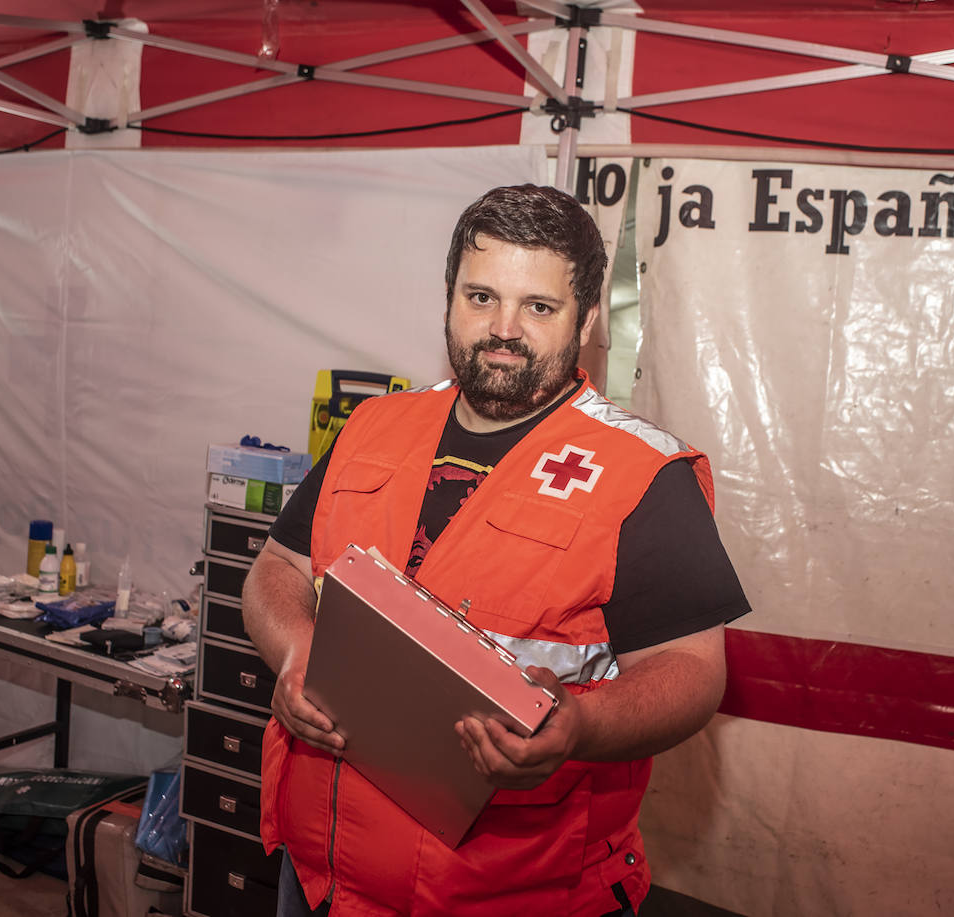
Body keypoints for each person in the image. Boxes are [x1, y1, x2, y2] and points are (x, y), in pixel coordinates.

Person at [242, 184, 750, 917]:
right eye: (481, 297)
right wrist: (296, 650)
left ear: (588, 318)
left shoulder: (642, 476)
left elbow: (693, 674)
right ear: (448, 296)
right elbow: (276, 572)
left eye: (538, 307)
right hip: (321, 878)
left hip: (509, 892)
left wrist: (580, 722)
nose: (503, 329)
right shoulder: (373, 427)